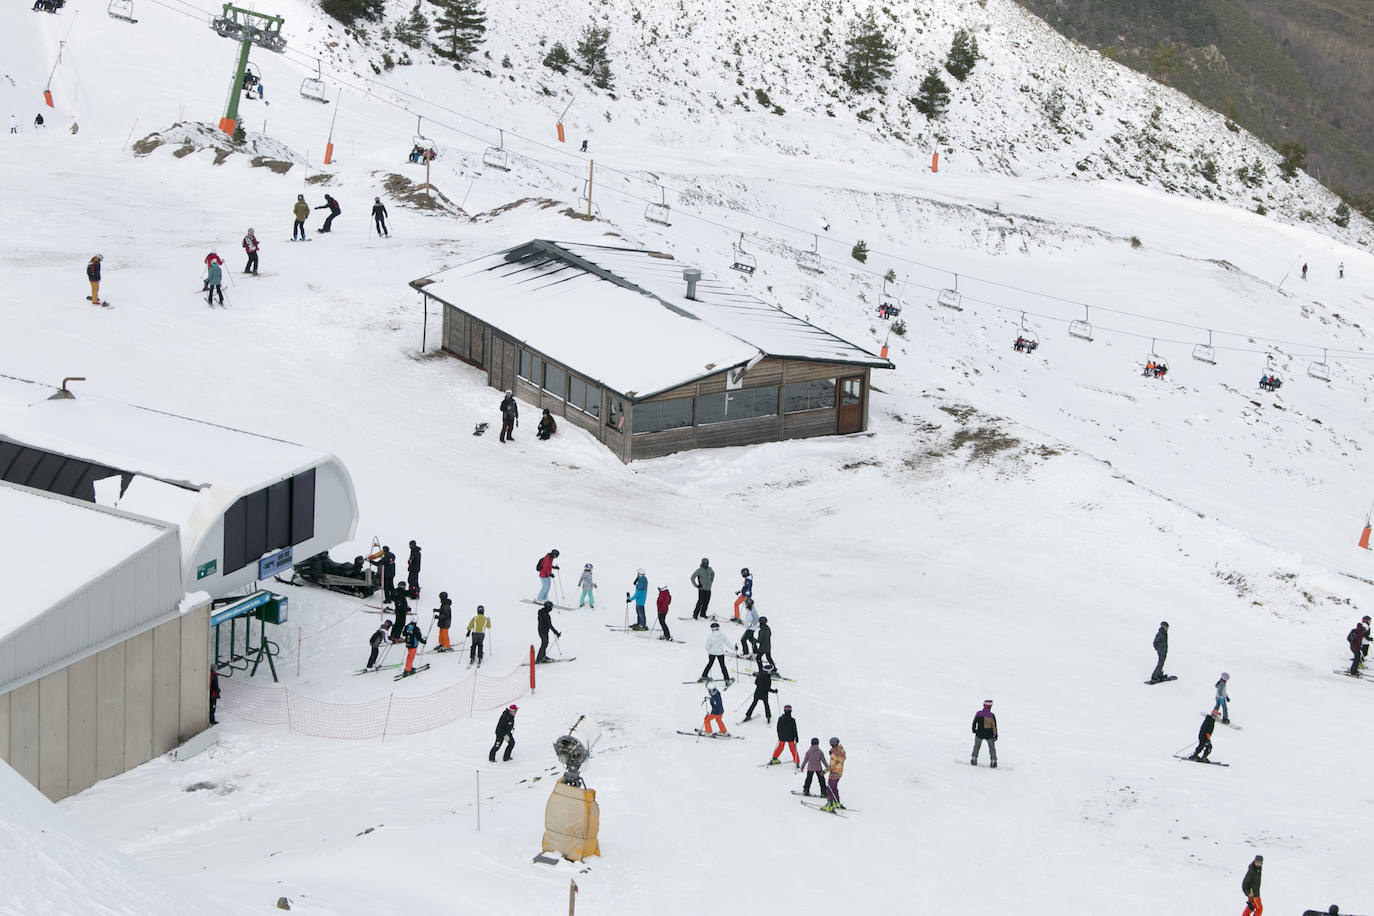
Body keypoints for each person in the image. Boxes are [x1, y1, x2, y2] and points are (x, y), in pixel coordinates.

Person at [971, 699, 998, 767]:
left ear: (984, 705)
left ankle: (974, 758)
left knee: (977, 746)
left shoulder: (978, 713)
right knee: (991, 748)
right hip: (989, 734)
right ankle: (993, 761)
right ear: (990, 706)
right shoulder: (991, 715)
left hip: (979, 733)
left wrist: (974, 729)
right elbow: (994, 726)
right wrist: (995, 735)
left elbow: (974, 722)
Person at [822, 737, 846, 812]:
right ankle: (836, 802)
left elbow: (832, 766)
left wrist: (824, 772)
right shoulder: (841, 750)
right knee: (834, 787)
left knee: (830, 789)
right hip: (839, 772)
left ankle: (830, 804)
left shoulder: (834, 754)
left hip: (834, 773)